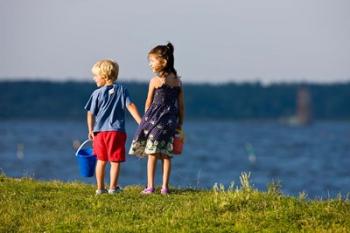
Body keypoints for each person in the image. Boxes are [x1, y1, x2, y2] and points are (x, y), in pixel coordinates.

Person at [129, 42, 185, 195]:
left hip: (155, 121)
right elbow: (181, 106)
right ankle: (165, 187)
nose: (150, 64)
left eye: (152, 61)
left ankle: (150, 186)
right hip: (171, 121)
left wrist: (145, 122)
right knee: (166, 154)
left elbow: (148, 102)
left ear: (163, 62)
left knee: (152, 153)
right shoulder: (178, 82)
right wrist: (180, 123)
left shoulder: (155, 81)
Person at [85, 59, 142, 195]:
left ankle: (100, 188)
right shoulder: (122, 90)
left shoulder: (96, 93)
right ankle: (112, 188)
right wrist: (141, 122)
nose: (94, 78)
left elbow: (90, 114)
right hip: (116, 132)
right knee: (115, 161)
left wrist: (90, 130)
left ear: (104, 76)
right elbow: (131, 106)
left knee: (101, 160)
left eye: (96, 76)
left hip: (99, 133)